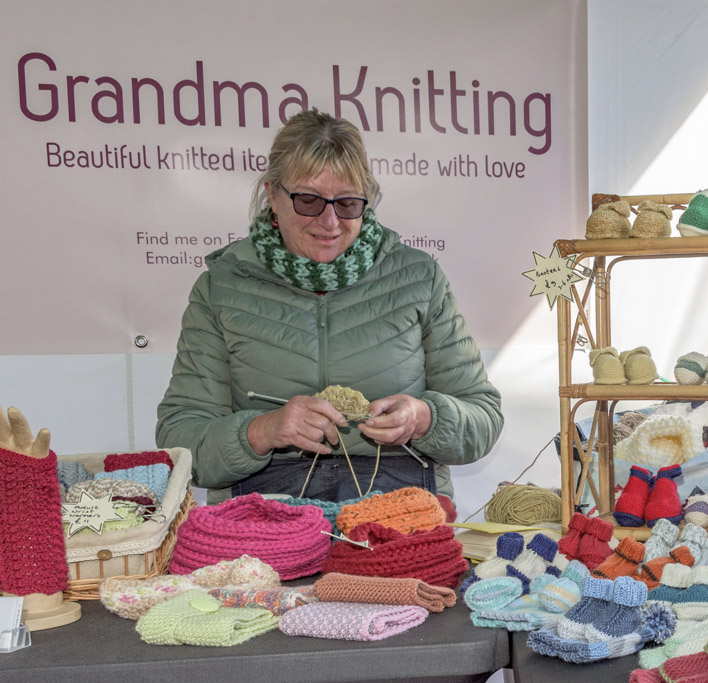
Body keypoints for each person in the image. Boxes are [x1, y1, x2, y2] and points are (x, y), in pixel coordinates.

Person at [156, 109, 503, 506]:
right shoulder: (222, 288)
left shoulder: (418, 279)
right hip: (263, 509)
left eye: (348, 203)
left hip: (401, 506)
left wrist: (425, 419)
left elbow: (483, 419)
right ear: (273, 195)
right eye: (308, 200)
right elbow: (180, 442)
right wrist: (263, 431)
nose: (330, 221)